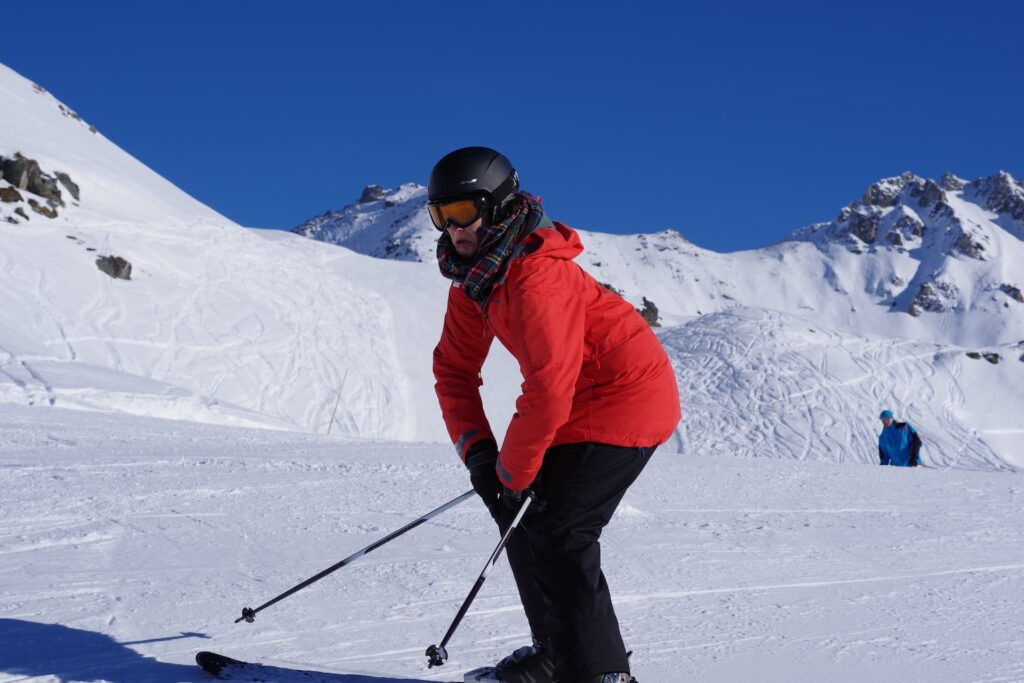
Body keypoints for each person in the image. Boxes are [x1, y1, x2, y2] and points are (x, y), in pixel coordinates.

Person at [430, 146, 680, 683]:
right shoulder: (476, 281)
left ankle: (601, 675)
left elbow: (548, 386)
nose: (454, 231)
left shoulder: (536, 278)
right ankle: (557, 652)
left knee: (560, 529)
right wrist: (479, 457)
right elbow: (453, 372)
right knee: (519, 516)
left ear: (496, 208)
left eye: (462, 213)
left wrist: (514, 475)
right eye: (439, 216)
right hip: (576, 400)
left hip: (627, 395)